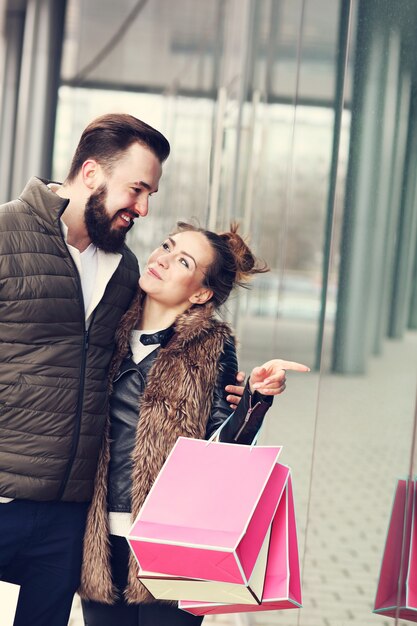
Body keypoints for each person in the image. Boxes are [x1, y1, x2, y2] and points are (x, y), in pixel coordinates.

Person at [79, 221, 310, 626]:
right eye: (166, 246)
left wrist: (255, 400)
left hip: (175, 542)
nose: (162, 259)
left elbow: (224, 451)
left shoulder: (213, 346)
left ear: (201, 292)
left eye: (182, 260)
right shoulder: (105, 326)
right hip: (97, 539)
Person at [0, 113, 181, 626]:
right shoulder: (5, 233)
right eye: (137, 189)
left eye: (150, 195)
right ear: (92, 172)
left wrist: (237, 394)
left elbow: (149, 356)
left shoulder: (125, 269)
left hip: (70, 513)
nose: (143, 208)